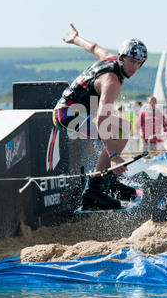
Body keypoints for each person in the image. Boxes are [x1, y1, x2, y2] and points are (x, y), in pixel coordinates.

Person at [53, 23, 148, 210]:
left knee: (124, 127)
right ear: (121, 58)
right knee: (118, 131)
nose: (134, 67)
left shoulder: (109, 58)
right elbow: (103, 120)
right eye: (131, 61)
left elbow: (94, 47)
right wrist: (113, 155)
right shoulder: (112, 81)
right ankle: (93, 192)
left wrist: (76, 39)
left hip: (70, 112)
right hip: (67, 117)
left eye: (139, 63)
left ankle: (108, 181)